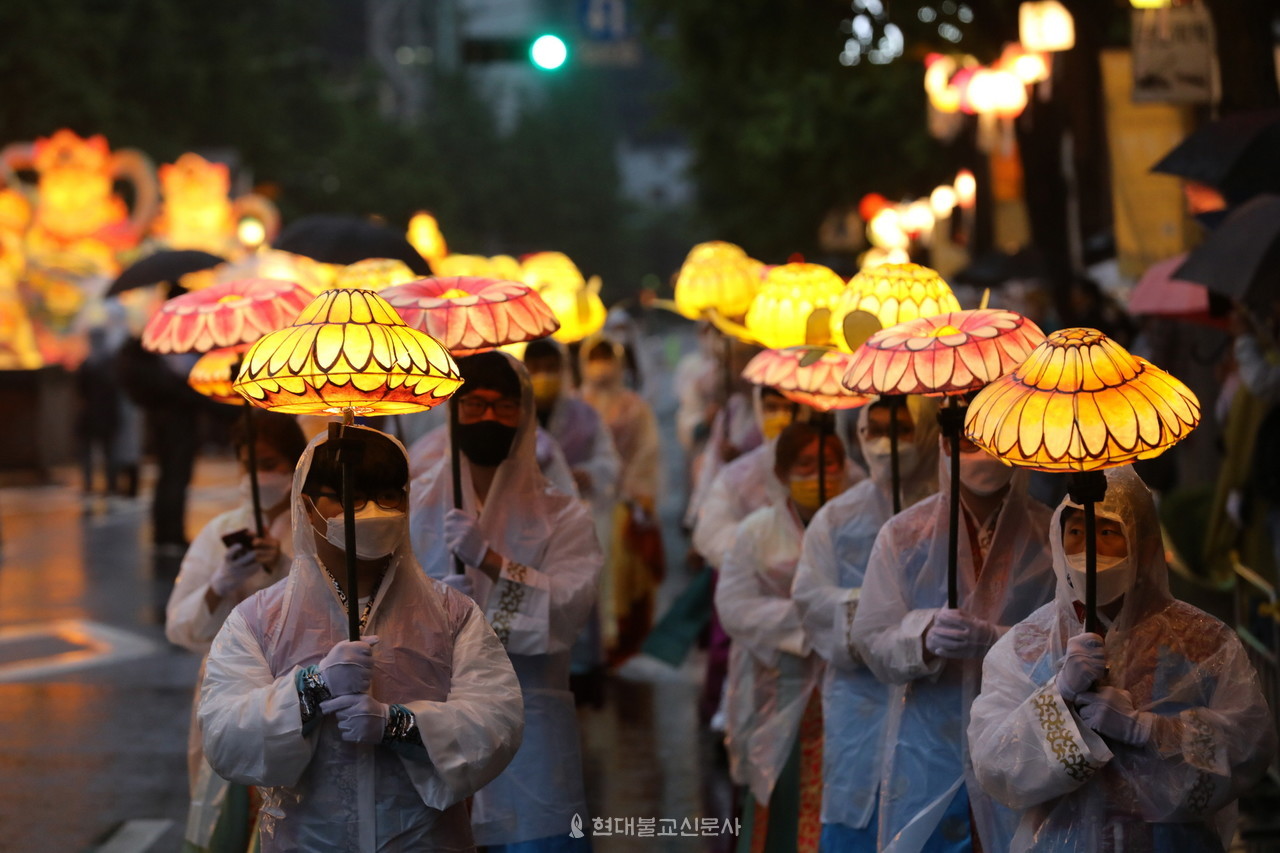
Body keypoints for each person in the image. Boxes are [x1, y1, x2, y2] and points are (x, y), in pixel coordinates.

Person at [199, 425, 524, 852]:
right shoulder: (261, 619)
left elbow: (498, 720)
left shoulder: (451, 614)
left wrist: (400, 725)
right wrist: (310, 690)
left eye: (388, 496)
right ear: (308, 506)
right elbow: (224, 736)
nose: (372, 511)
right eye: (350, 498)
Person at [968, 465, 1275, 851]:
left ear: (1144, 544)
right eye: (1076, 532)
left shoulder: (1204, 640)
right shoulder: (1026, 645)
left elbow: (1250, 747)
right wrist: (1058, 698)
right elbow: (995, 765)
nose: (1089, 549)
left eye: (1107, 532)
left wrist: (1148, 731)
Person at [410, 351, 601, 851]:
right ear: (451, 409)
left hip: (530, 721)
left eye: (502, 405)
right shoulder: (413, 507)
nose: (488, 417)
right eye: (473, 404)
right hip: (438, 719)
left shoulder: (563, 516)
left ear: (524, 412)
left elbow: (569, 607)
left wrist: (493, 563)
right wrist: (439, 608)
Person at [850, 433, 1057, 852]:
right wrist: (922, 636)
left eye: (995, 441)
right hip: (930, 737)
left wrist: (996, 641)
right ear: (944, 444)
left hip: (1021, 736)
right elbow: (871, 636)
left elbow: (1069, 641)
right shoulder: (904, 534)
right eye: (967, 441)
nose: (982, 456)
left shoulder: (1052, 534)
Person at [790, 396, 940, 852]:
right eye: (874, 429)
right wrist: (882, 618)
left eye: (900, 429)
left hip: (934, 706)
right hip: (859, 705)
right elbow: (810, 600)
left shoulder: (955, 520)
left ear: (931, 433)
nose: (885, 443)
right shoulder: (837, 519)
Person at [716, 422, 848, 853]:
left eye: (829, 463)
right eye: (806, 465)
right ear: (784, 472)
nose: (819, 474)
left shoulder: (864, 529)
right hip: (777, 683)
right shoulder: (756, 531)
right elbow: (736, 606)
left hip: (846, 689)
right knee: (777, 789)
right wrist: (816, 619)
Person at [524, 336, 621, 700]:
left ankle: (583, 670)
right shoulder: (513, 412)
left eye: (551, 369)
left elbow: (609, 460)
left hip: (573, 523)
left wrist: (590, 473)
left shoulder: (585, 415)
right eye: (537, 369)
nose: (544, 377)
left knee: (575, 592)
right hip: (527, 528)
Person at [580, 333, 663, 663]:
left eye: (606, 357)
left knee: (616, 574)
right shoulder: (573, 406)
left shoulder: (635, 407)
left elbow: (647, 452)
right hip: (581, 506)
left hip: (620, 504)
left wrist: (631, 493)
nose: (600, 366)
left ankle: (613, 644)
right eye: (594, 357)